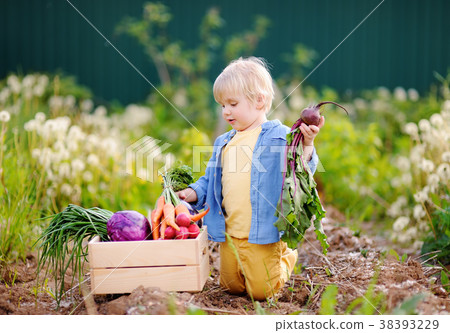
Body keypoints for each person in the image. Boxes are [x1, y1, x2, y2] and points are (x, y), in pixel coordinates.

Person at [177, 57, 324, 300]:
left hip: (262, 234)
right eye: (222, 105)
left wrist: (307, 143)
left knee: (262, 292)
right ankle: (255, 266)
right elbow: (210, 180)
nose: (226, 111)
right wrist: (191, 193)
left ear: (259, 100)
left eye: (232, 104)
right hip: (230, 234)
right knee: (230, 287)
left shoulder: (281, 137)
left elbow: (302, 166)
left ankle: (286, 257)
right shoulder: (223, 142)